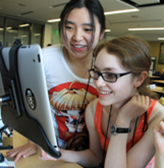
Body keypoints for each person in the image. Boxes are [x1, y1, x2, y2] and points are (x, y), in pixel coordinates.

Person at [39, 36, 164, 168]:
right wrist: (60, 154)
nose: (98, 83)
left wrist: (122, 121)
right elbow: (96, 158)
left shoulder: (156, 118)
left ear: (139, 79)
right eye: (96, 72)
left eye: (110, 75)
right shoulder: (94, 108)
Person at [5, 0, 105, 162]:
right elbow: (28, 104)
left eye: (87, 29)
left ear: (101, 34)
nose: (77, 37)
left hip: (91, 156)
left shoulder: (107, 68)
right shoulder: (42, 59)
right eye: (69, 27)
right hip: (48, 152)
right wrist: (34, 140)